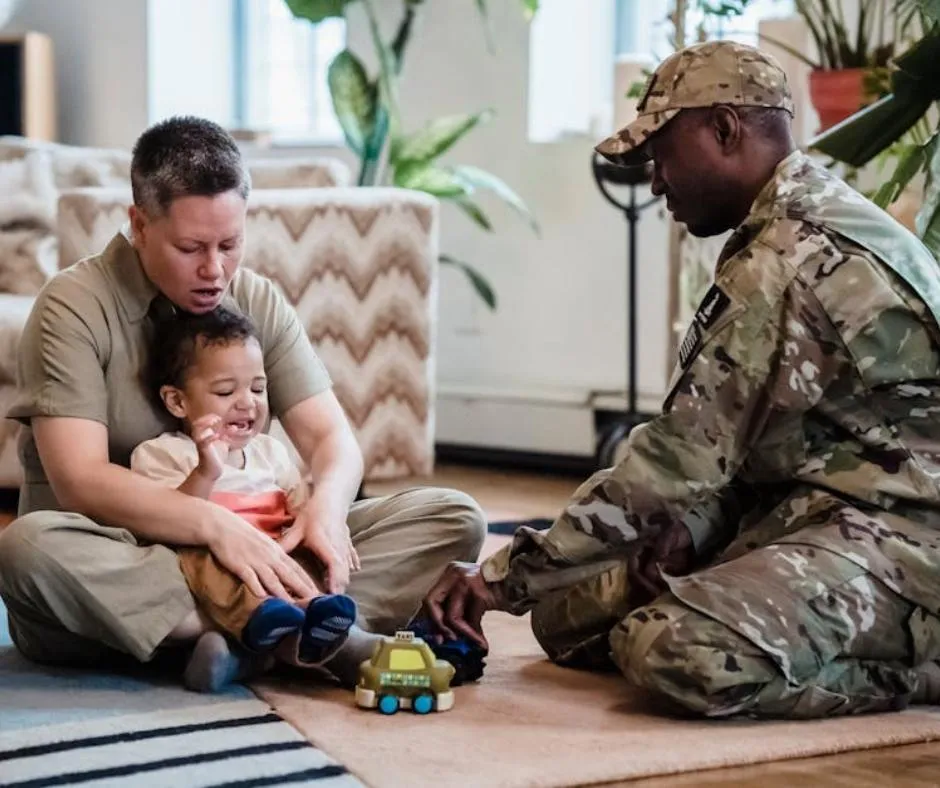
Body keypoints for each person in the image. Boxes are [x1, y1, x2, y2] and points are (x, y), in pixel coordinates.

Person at [423, 40, 940, 720]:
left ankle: (923, 671)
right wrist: (695, 532)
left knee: (669, 648)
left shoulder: (789, 256)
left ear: (724, 129)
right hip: (814, 503)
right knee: (564, 615)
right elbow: (764, 444)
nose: (656, 181)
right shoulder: (793, 223)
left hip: (906, 538)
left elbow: (675, 460)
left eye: (660, 155)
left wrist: (498, 579)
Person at [0, 116, 486, 691]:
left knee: (454, 518)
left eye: (230, 244)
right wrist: (213, 528)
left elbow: (333, 442)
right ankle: (303, 631)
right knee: (25, 547)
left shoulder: (253, 297)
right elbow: (81, 481)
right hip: (129, 560)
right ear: (139, 224)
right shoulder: (73, 307)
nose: (215, 270)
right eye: (191, 248)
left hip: (258, 542)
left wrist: (325, 510)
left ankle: (240, 642)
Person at [130, 305, 358, 691]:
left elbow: (297, 507)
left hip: (275, 554)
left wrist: (325, 525)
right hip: (213, 560)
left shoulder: (272, 452)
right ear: (177, 402)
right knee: (199, 559)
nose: (247, 402)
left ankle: (258, 641)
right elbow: (171, 522)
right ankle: (286, 630)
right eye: (225, 391)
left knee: (308, 551)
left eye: (257, 387)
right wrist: (207, 471)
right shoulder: (162, 453)